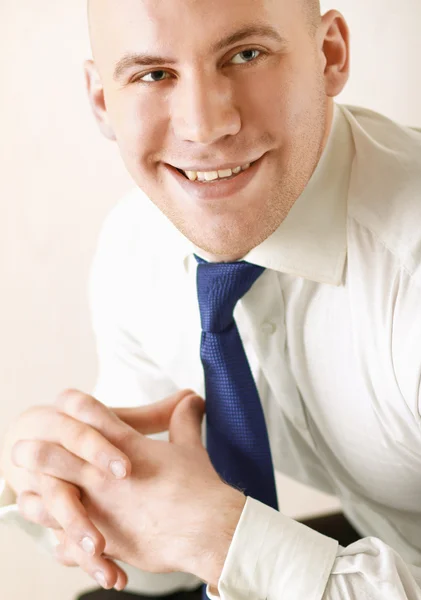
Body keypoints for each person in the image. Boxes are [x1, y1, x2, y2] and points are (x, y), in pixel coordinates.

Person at [1, 0, 421, 598]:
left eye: (246, 55)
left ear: (330, 56)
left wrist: (220, 537)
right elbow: (160, 547)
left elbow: (211, 543)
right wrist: (62, 489)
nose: (205, 125)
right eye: (153, 75)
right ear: (102, 101)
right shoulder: (136, 247)